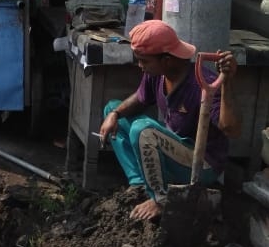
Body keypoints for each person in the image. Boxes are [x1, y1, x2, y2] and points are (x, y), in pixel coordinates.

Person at [99, 20, 241, 222]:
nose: (140, 66)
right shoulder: (158, 73)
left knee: (143, 130)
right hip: (174, 148)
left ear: (166, 60)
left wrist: (227, 82)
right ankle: (140, 184)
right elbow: (140, 98)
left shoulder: (202, 85)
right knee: (113, 110)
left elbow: (232, 129)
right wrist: (115, 114)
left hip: (202, 163)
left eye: (144, 61)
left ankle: (160, 198)